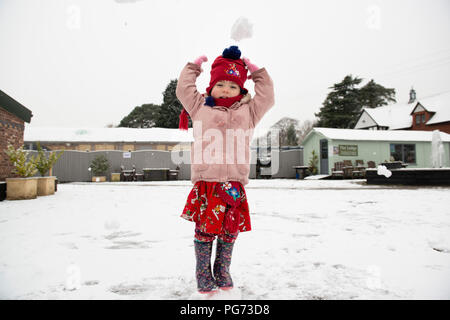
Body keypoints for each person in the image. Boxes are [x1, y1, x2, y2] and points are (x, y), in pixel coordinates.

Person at [176, 45, 275, 295]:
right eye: (221, 84)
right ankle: (202, 273)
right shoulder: (199, 107)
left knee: (230, 230)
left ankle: (222, 269)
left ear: (242, 89)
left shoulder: (249, 111)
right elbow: (183, 89)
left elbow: (267, 97)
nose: (226, 89)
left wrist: (258, 74)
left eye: (233, 86)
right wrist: (193, 68)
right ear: (211, 86)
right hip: (207, 182)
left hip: (234, 183)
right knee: (205, 230)